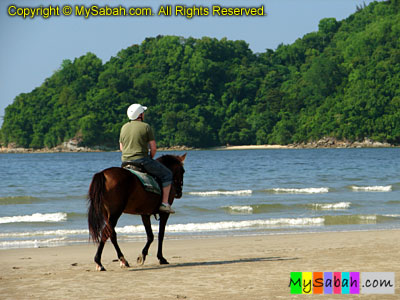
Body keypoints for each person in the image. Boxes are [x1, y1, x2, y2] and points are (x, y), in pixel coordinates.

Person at [119, 104, 175, 214]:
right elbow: (153, 148)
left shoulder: (124, 127)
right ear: (140, 115)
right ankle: (164, 203)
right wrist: (150, 158)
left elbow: (121, 147)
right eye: (143, 112)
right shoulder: (146, 126)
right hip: (142, 160)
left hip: (125, 162)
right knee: (167, 174)